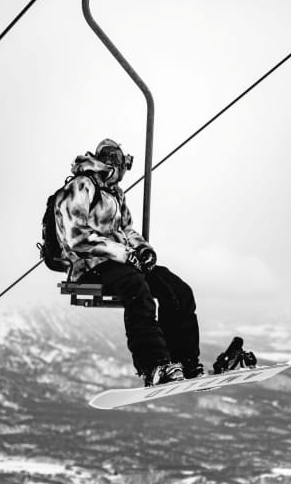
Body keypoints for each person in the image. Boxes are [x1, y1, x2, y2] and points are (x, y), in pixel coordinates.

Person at [55, 138, 204, 386]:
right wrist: (121, 253)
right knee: (137, 289)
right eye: (121, 162)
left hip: (122, 263)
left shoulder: (115, 193)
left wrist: (143, 250)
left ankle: (185, 361)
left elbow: (126, 229)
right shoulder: (81, 186)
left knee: (177, 290)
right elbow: (76, 237)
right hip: (90, 266)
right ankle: (153, 365)